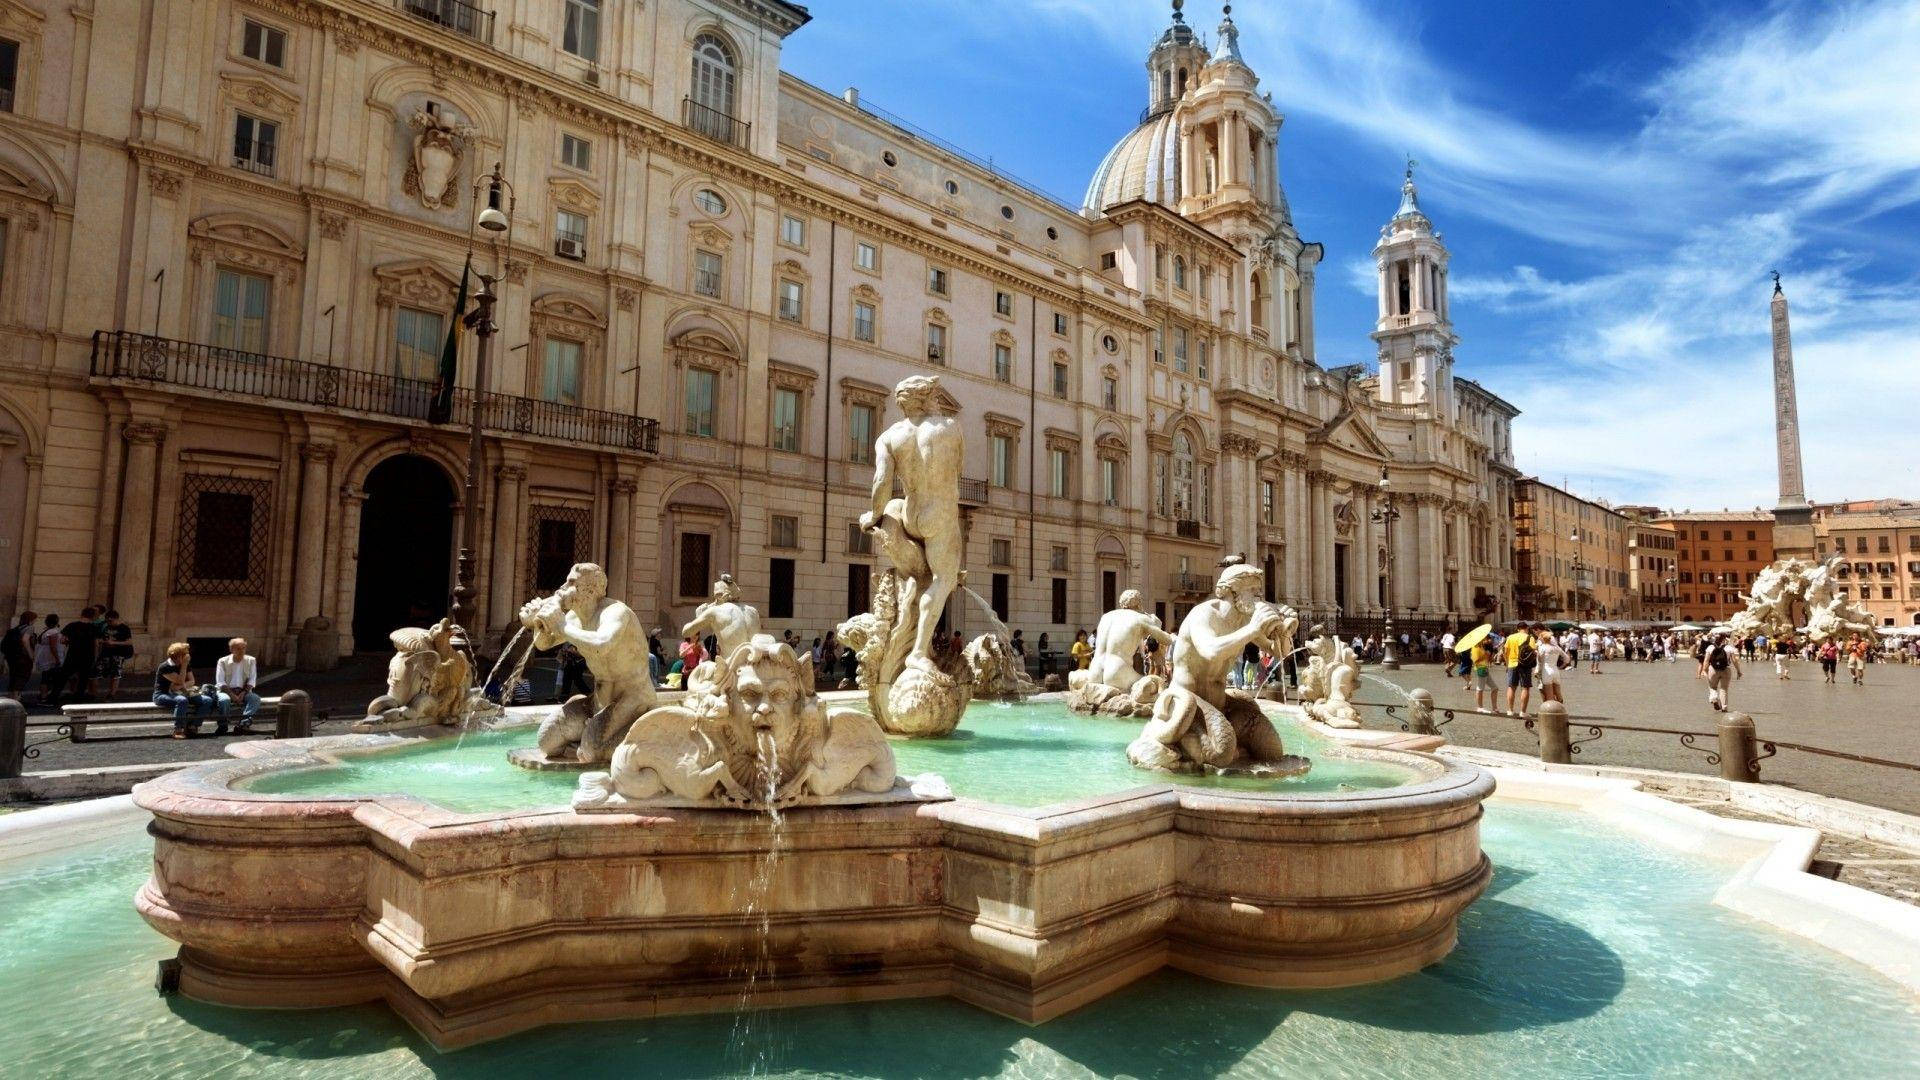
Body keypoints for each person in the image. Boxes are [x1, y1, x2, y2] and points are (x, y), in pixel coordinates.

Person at [154, 641, 213, 738]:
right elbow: (180, 680)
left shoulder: (184, 664)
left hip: (182, 692)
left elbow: (192, 681)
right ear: (178, 656)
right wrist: (184, 666)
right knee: (182, 701)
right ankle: (178, 730)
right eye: (184, 654)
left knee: (207, 700)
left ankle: (193, 726)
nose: (187, 657)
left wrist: (178, 686)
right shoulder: (165, 667)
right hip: (162, 694)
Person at [214, 637, 262, 735]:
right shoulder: (222, 661)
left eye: (243, 648)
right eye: (238, 648)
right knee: (224, 700)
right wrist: (232, 695)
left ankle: (243, 724)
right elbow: (220, 682)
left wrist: (243, 693)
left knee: (255, 699)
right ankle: (223, 725)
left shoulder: (251, 660)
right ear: (231, 649)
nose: (241, 651)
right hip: (226, 691)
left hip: (243, 690)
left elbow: (252, 680)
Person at [1697, 632, 1741, 711]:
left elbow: (1706, 660)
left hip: (1713, 669)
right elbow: (1734, 660)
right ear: (1724, 639)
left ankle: (1714, 699)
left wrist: (1704, 670)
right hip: (1726, 669)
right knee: (1724, 689)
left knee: (1712, 687)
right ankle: (1724, 707)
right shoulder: (1729, 647)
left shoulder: (1710, 647)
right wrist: (1738, 671)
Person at [1503, 624, 1537, 718]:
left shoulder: (1510, 637)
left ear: (1518, 629)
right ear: (1527, 628)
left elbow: (1505, 652)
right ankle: (1523, 712)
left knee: (1511, 687)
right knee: (1525, 688)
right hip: (1525, 665)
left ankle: (1510, 710)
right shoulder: (1530, 638)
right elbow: (1534, 652)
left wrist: (1507, 663)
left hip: (1512, 664)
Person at [31, 613, 66, 704]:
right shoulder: (53, 632)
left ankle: (44, 696)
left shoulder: (46, 631)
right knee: (52, 678)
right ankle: (47, 697)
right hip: (50, 658)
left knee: (46, 677)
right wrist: (57, 659)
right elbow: (53, 647)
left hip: (45, 657)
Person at [96, 611, 133, 696]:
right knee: (99, 671)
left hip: (118, 653)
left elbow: (129, 642)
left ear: (116, 619)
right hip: (106, 652)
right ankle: (95, 692)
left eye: (111, 621)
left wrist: (114, 643)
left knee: (115, 674)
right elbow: (101, 638)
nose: (109, 623)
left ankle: (112, 693)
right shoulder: (105, 627)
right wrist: (102, 641)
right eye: (108, 621)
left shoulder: (124, 628)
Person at [2, 610, 36, 696]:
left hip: (12, 657)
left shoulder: (17, 628)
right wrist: (31, 654)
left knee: (13, 676)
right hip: (23, 657)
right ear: (31, 619)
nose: (35, 621)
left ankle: (11, 699)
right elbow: (25, 640)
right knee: (22, 676)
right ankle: (16, 698)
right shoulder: (30, 628)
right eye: (34, 619)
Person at [1535, 625, 1569, 706]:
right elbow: (1567, 659)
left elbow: (1539, 662)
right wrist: (1561, 667)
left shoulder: (1542, 648)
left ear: (1542, 638)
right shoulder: (1556, 648)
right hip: (1555, 671)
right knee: (1558, 693)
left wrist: (1537, 671)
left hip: (1546, 671)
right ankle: (1561, 709)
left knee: (1550, 696)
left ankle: (1552, 713)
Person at [1470, 636, 1497, 714]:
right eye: (1483, 638)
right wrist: (1485, 654)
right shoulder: (1475, 647)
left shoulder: (1480, 646)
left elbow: (1485, 658)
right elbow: (1475, 660)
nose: (1484, 640)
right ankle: (1480, 707)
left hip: (1484, 668)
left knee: (1495, 688)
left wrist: (1488, 655)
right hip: (1481, 668)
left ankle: (1494, 708)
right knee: (1480, 688)